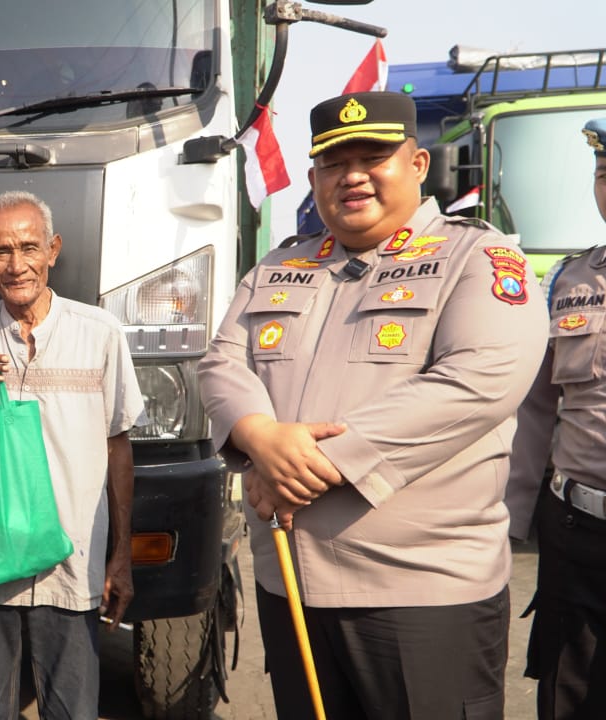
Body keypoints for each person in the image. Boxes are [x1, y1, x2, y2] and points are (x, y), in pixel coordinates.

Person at [197, 91, 549, 720]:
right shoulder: (279, 265)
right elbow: (223, 361)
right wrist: (258, 436)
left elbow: (482, 377)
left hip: (422, 594)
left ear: (417, 164)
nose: (352, 175)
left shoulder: (475, 256)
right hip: (292, 583)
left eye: (374, 156)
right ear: (313, 179)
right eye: (334, 163)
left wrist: (308, 463)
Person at [0, 191, 144, 719]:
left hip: (70, 556)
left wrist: (120, 556)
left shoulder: (99, 332)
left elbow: (118, 445)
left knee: (72, 708)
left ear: (53, 250)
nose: (17, 264)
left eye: (30, 247)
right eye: (1, 251)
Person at [507, 117, 606, 720]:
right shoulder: (568, 281)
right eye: (603, 173)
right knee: (569, 696)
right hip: (577, 533)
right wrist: (509, 522)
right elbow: (534, 411)